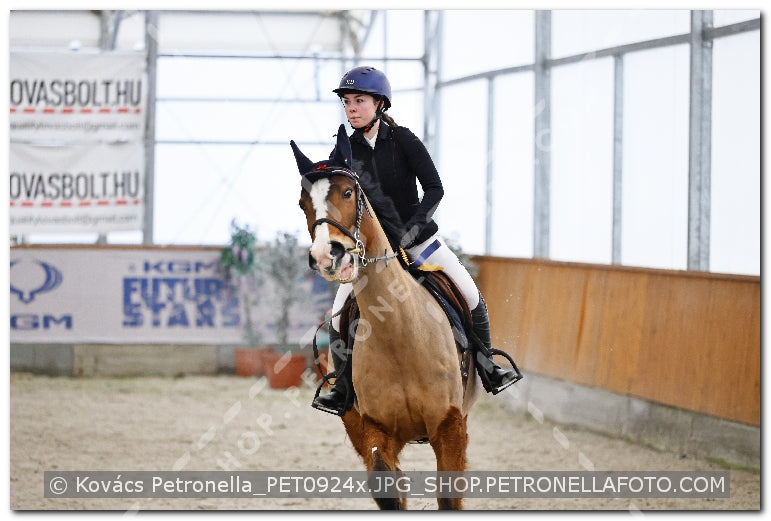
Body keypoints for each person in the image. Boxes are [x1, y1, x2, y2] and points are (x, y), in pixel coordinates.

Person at [312, 65, 521, 416]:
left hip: (420, 242)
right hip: (371, 253)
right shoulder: (344, 148)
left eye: (358, 101)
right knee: (337, 316)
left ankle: (488, 367)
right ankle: (343, 388)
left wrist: (410, 231)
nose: (351, 108)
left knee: (471, 295)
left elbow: (435, 189)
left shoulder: (404, 140)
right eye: (347, 102)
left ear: (380, 104)